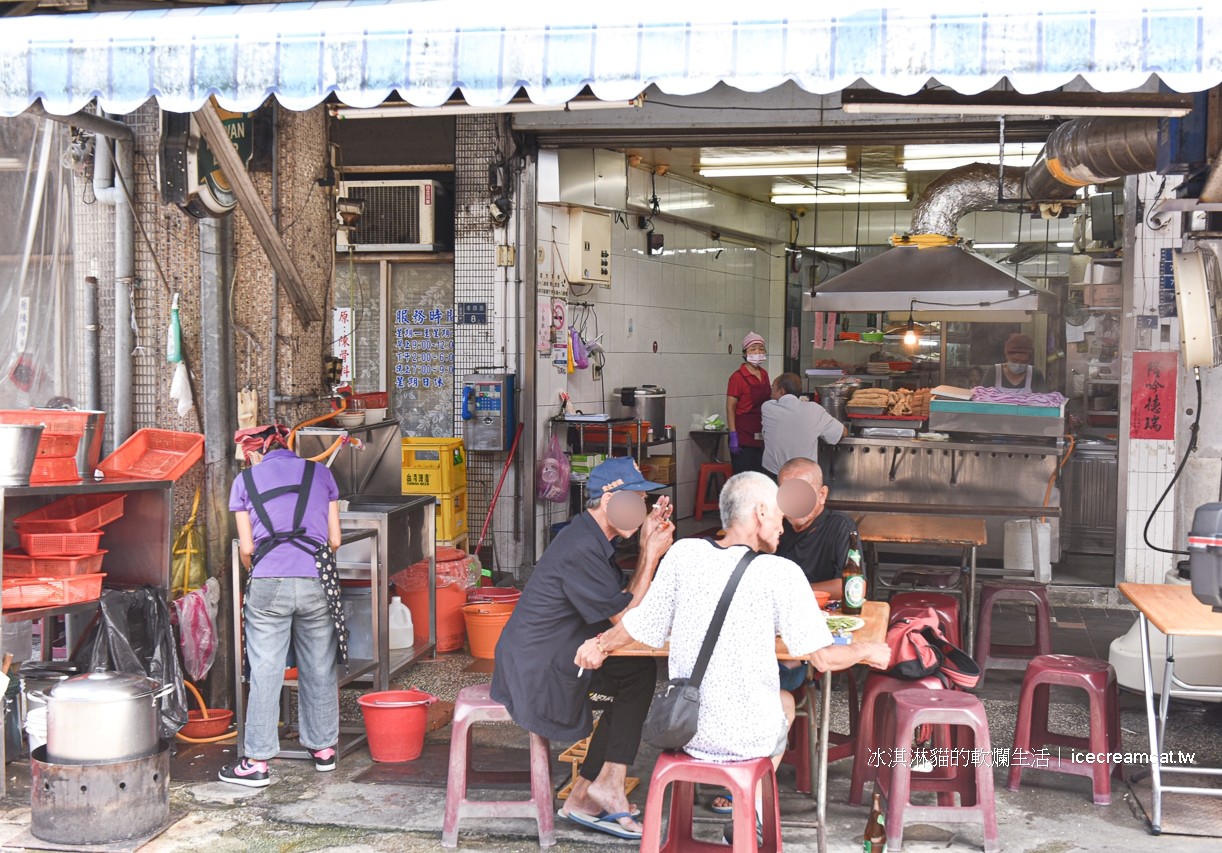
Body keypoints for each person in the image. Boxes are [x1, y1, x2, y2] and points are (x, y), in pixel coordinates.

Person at [576, 472, 890, 841]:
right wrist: (869, 650)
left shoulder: (683, 555)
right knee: (787, 702)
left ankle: (742, 817)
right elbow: (821, 659)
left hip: (686, 729)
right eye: (777, 514)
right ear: (759, 512)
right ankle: (750, 816)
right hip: (746, 738)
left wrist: (600, 644)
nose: (783, 526)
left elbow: (638, 627)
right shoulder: (782, 573)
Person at [492, 457, 674, 841]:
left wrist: (647, 551)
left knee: (634, 673)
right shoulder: (580, 546)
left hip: (550, 655)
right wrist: (651, 553)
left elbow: (619, 602)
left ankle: (593, 787)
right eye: (636, 501)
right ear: (608, 501)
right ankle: (598, 785)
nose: (642, 513)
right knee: (634, 675)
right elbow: (626, 617)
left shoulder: (591, 537)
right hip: (536, 670)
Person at [220, 425, 344, 788]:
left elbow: (246, 549)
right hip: (317, 580)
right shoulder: (321, 473)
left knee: (266, 667)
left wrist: (263, 571)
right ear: (288, 445)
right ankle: (323, 750)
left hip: (267, 581)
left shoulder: (245, 482)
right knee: (319, 664)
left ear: (256, 453)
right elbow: (334, 539)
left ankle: (256, 761)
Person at [775, 456, 857, 600]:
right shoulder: (774, 526)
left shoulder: (840, 526)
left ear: (822, 494)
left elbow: (853, 586)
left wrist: (793, 592)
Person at [760, 372, 847, 477]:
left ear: (781, 391)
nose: (770, 393)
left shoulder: (767, 407)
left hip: (773, 474)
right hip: (803, 475)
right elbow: (843, 432)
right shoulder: (814, 410)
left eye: (773, 388)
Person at [726, 331, 770, 475]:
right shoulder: (737, 378)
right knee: (744, 481)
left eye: (761, 348)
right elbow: (730, 407)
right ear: (745, 352)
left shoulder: (764, 374)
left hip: (761, 434)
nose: (758, 352)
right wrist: (733, 434)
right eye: (753, 349)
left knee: (759, 480)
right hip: (743, 436)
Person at [981, 333, 1047, 394]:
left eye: (1023, 361)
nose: (1018, 364)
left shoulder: (1035, 374)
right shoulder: (993, 372)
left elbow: (1043, 399)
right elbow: (982, 398)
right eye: (1014, 360)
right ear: (1007, 356)